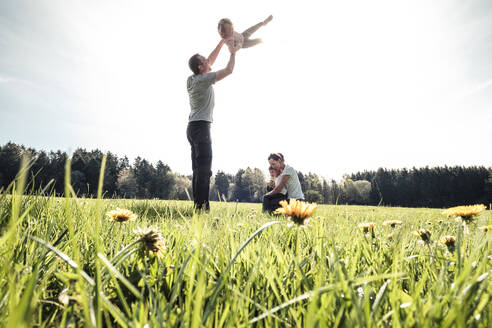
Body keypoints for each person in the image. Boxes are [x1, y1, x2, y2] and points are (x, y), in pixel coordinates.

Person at [187, 40, 236, 211]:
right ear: (201, 67)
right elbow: (229, 70)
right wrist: (233, 52)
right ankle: (202, 208)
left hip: (192, 128)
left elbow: (210, 61)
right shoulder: (204, 79)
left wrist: (222, 42)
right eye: (205, 60)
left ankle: (198, 206)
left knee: (197, 170)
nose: (208, 60)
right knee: (204, 171)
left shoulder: (191, 79)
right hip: (201, 128)